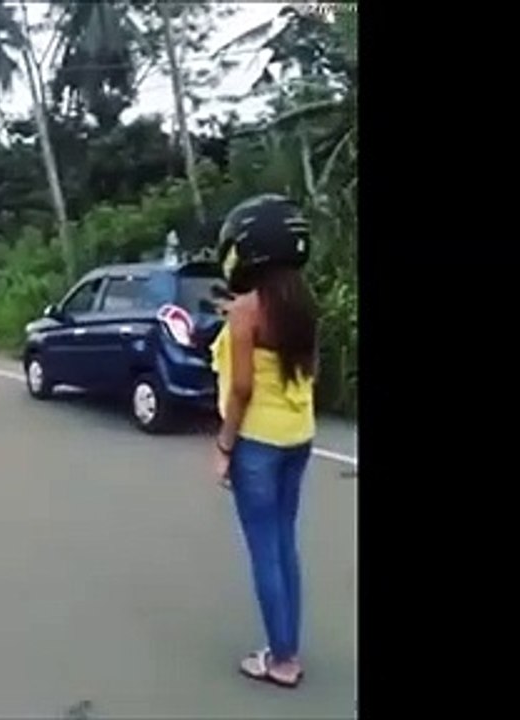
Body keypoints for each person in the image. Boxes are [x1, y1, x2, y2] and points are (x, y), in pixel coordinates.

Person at [210, 194, 318, 689]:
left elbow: (243, 387)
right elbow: (308, 369)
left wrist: (225, 445)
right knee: (285, 543)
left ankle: (281, 660)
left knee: (264, 550)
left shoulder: (246, 312)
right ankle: (288, 646)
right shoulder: (302, 302)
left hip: (258, 442)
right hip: (299, 435)